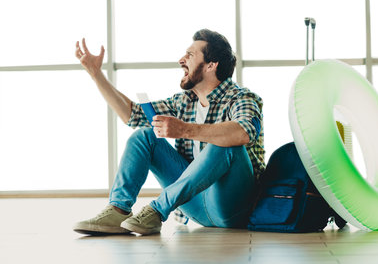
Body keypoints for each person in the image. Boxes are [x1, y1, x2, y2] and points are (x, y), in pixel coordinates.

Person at [73, 29, 265, 235]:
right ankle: (118, 210)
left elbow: (244, 132)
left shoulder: (242, 98)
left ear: (211, 65)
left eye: (190, 55)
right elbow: (132, 115)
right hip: (196, 205)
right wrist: (96, 74)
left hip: (233, 208)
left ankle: (156, 210)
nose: (182, 60)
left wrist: (183, 129)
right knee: (144, 136)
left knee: (226, 144)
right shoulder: (184, 101)